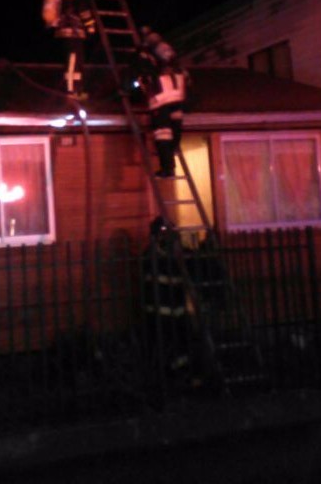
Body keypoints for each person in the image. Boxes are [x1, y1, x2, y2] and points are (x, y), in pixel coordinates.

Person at [142, 216, 191, 378]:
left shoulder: (176, 255)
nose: (167, 236)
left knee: (181, 345)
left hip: (177, 311)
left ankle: (179, 373)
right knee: (161, 346)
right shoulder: (151, 255)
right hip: (159, 313)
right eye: (163, 232)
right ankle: (165, 375)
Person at [137, 27, 188, 178]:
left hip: (161, 100)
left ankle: (167, 169)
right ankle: (170, 163)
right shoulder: (170, 51)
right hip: (177, 98)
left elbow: (139, 69)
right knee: (175, 132)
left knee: (163, 135)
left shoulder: (148, 54)